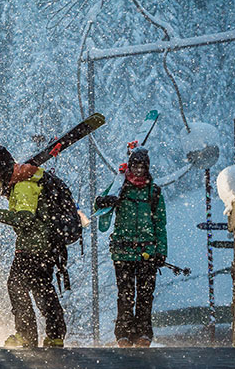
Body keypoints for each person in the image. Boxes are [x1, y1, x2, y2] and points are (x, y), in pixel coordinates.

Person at [0, 144, 67, 348]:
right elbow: (27, 206)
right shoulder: (26, 180)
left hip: (32, 247)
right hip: (45, 246)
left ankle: (26, 334)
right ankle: (55, 335)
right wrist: (4, 191)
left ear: (5, 168)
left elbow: (24, 218)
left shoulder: (24, 184)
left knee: (17, 287)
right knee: (42, 288)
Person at [94, 147, 167, 348]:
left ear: (147, 168)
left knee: (145, 295)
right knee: (125, 294)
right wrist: (102, 201)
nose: (138, 170)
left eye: (142, 167)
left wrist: (161, 251)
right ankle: (124, 333)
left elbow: (160, 224)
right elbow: (100, 208)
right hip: (123, 251)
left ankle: (143, 333)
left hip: (147, 252)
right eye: (135, 166)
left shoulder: (154, 192)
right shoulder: (119, 187)